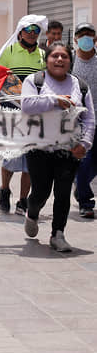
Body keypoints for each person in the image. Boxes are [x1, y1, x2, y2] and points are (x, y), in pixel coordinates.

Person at [22, 42, 94, 251]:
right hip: (39, 149)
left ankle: (58, 234)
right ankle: (32, 212)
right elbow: (26, 105)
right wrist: (54, 100)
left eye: (64, 56)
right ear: (47, 60)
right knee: (41, 192)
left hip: (68, 150)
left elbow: (89, 118)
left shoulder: (80, 86)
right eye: (55, 56)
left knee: (63, 193)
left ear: (70, 61)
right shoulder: (34, 81)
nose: (59, 60)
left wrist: (85, 143)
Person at [0, 15, 47, 215]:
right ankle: (5, 189)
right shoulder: (7, 52)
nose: (32, 34)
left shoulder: (43, 55)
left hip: (34, 114)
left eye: (36, 31)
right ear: (20, 32)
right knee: (10, 156)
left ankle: (22, 200)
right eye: (29, 30)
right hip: (11, 113)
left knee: (31, 159)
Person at [72, 23, 97, 218]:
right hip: (78, 120)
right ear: (75, 39)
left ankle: (80, 186)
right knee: (84, 160)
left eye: (89, 34)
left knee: (93, 162)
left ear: (95, 39)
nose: (86, 38)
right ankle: (86, 201)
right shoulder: (69, 60)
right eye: (82, 35)